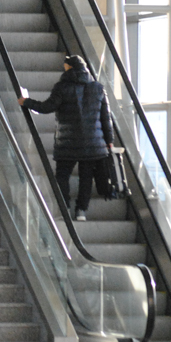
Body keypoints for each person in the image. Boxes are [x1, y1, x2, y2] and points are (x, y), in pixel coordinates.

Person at [18, 55, 114, 221]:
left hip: (68, 143)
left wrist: (26, 102)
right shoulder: (98, 88)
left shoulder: (62, 87)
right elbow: (106, 118)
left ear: (69, 67)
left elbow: (46, 107)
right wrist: (109, 141)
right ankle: (81, 212)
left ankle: (64, 209)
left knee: (62, 176)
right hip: (93, 144)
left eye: (65, 66)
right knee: (86, 177)